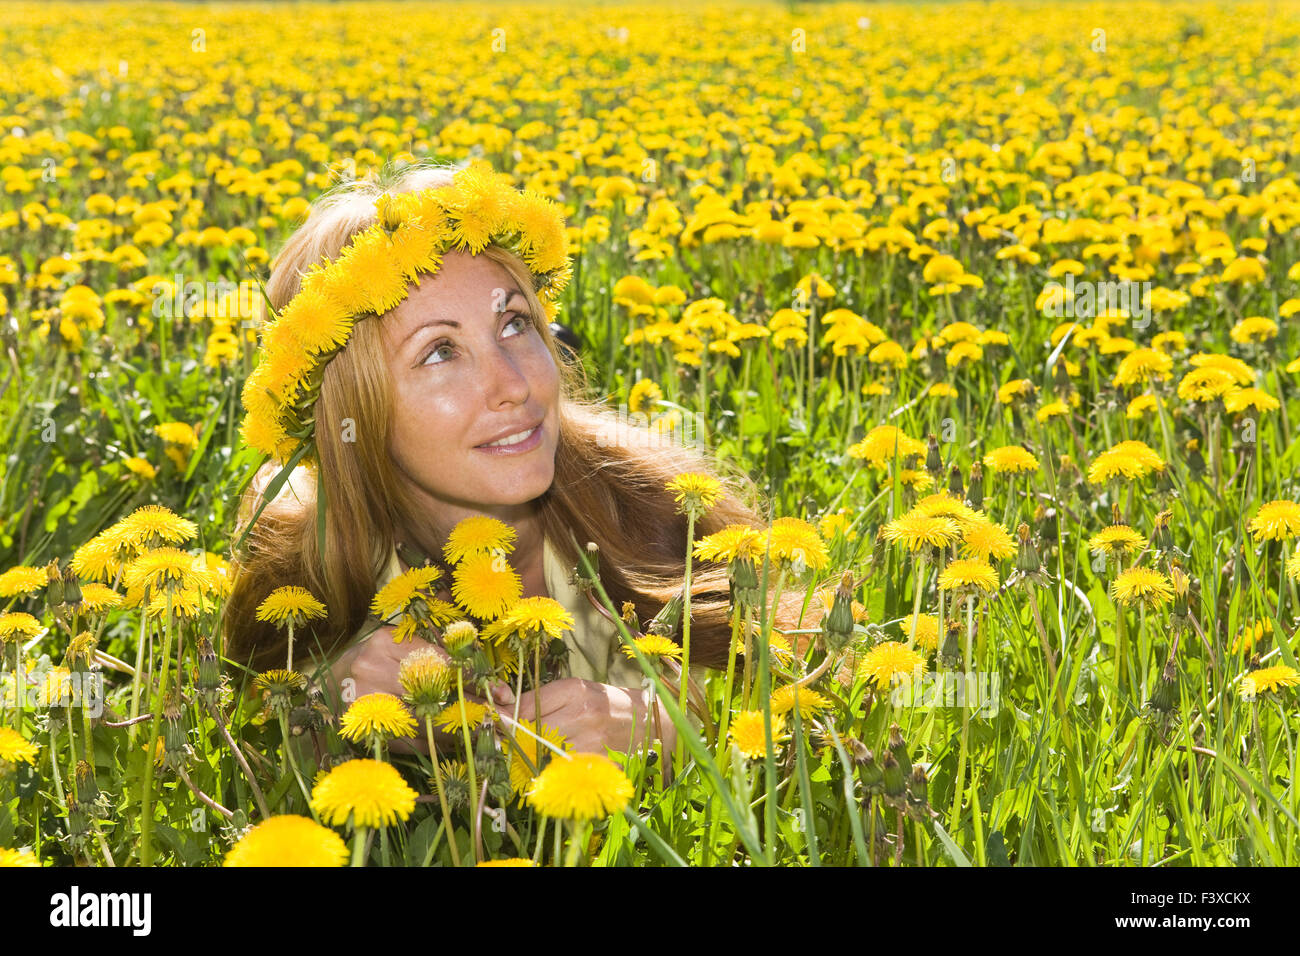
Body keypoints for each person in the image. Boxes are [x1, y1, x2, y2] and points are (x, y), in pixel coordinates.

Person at [220, 159, 821, 763]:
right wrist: (325, 692)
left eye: (513, 323)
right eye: (439, 352)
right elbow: (235, 718)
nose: (513, 384)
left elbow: (824, 699)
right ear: (355, 409)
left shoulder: (659, 509)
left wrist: (681, 733)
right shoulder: (300, 576)